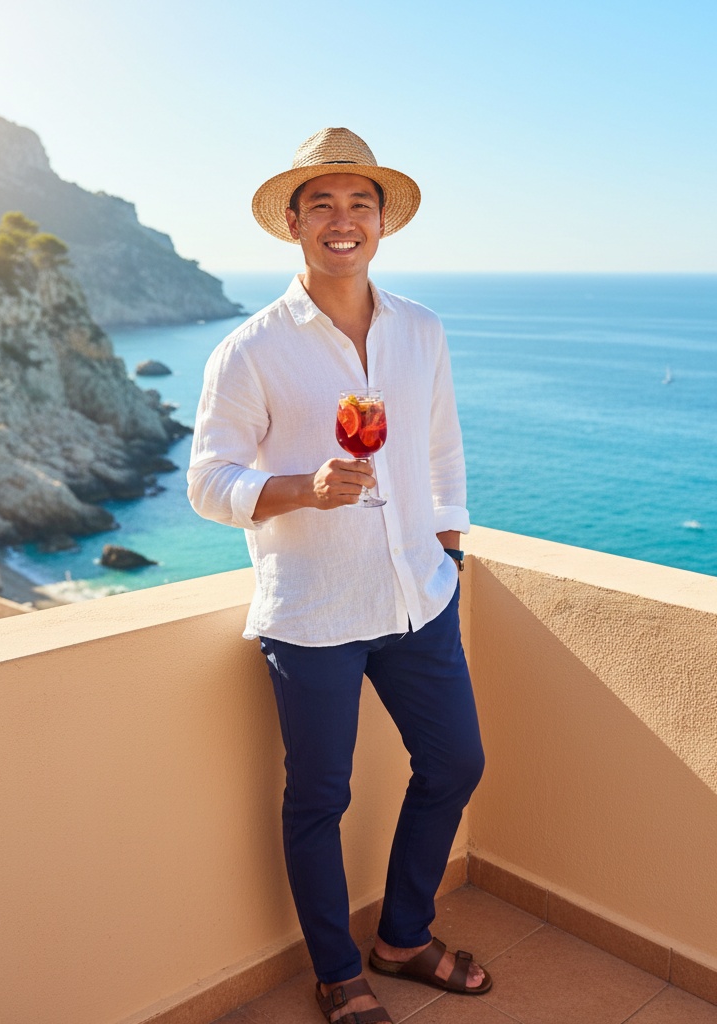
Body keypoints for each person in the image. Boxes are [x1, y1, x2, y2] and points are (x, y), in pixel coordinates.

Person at [187, 127, 490, 1024]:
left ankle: (403, 937)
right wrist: (303, 489)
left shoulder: (421, 330)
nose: (342, 220)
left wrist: (447, 552)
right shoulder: (250, 350)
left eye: (360, 203)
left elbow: (441, 452)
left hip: (418, 596)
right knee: (320, 797)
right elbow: (207, 482)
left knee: (456, 763)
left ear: (382, 223)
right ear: (293, 223)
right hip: (312, 612)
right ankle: (337, 974)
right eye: (321, 203)